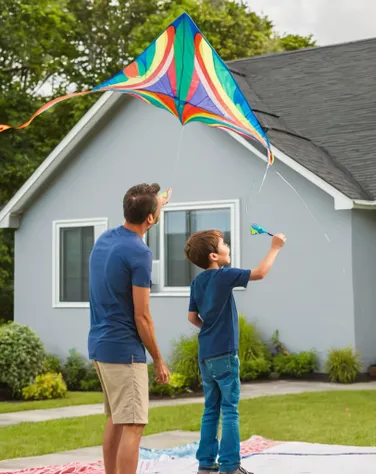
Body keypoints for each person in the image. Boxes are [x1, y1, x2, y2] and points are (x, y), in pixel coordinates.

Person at [184, 229, 286, 474]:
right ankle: (230, 466)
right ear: (213, 256)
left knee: (211, 408)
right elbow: (260, 273)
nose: (227, 246)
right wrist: (275, 247)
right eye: (223, 244)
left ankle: (206, 465)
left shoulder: (197, 282)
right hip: (225, 354)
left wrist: (209, 329)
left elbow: (192, 318)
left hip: (205, 354)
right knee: (230, 408)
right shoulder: (224, 276)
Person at [88, 183, 171, 474]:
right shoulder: (140, 253)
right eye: (156, 210)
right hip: (125, 351)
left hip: (100, 345)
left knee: (117, 420)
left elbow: (141, 209)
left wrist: (155, 203)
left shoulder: (105, 239)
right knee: (134, 424)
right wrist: (158, 359)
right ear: (150, 219)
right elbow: (143, 316)